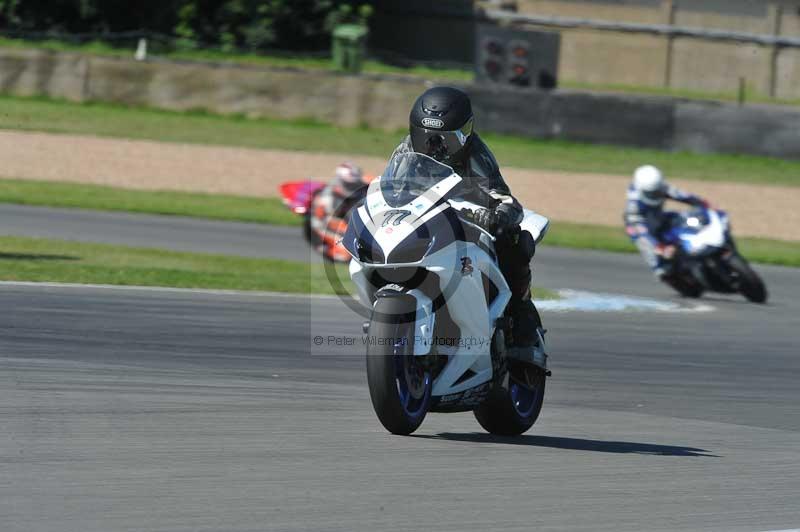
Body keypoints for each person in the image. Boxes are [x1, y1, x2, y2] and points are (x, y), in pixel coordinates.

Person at [390, 86, 542, 354]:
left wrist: (496, 217)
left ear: (466, 133)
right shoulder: (405, 151)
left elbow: (505, 199)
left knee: (516, 240)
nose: (435, 147)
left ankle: (520, 316)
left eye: (445, 139)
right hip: (426, 219)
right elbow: (390, 190)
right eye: (426, 137)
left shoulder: (475, 154)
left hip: (469, 219)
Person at [624, 165, 708, 278]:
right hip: (640, 223)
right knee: (643, 241)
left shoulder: (661, 187)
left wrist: (703, 204)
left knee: (684, 218)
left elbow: (682, 195)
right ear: (641, 189)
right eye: (651, 193)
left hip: (659, 217)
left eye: (657, 192)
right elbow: (641, 231)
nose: (655, 195)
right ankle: (658, 267)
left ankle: (697, 241)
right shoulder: (634, 204)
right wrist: (658, 246)